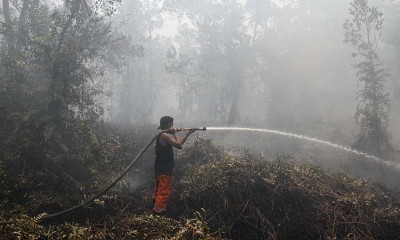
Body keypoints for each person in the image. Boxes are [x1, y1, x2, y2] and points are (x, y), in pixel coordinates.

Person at [152, 116, 196, 214]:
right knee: (164, 191)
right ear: (168, 124)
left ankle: (155, 205)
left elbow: (178, 143)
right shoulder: (165, 135)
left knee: (159, 188)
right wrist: (174, 133)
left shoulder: (163, 134)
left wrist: (188, 133)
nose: (173, 125)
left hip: (160, 167)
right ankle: (157, 212)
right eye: (172, 123)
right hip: (164, 168)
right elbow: (179, 146)